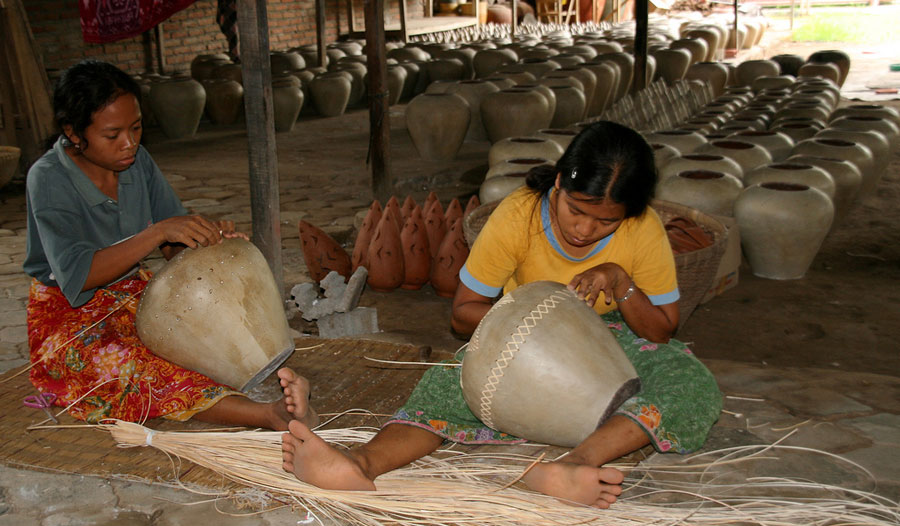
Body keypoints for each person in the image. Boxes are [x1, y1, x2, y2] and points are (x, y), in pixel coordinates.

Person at [280, 121, 721, 506]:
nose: (585, 230)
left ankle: (574, 464)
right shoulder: (518, 216)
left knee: (690, 382)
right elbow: (463, 314)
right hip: (519, 336)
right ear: (559, 184)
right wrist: (528, 323)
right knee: (449, 384)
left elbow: (662, 331)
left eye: (606, 222)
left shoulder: (643, 229)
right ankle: (359, 463)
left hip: (613, 344)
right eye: (576, 210)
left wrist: (621, 281)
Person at [23, 60, 317, 431]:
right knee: (126, 366)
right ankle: (268, 414)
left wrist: (206, 242)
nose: (129, 143)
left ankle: (248, 391)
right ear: (73, 132)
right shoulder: (48, 179)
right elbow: (79, 276)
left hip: (136, 294)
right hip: (68, 316)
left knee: (197, 343)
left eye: (136, 127)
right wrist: (157, 232)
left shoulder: (137, 163)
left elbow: (172, 249)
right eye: (113, 135)